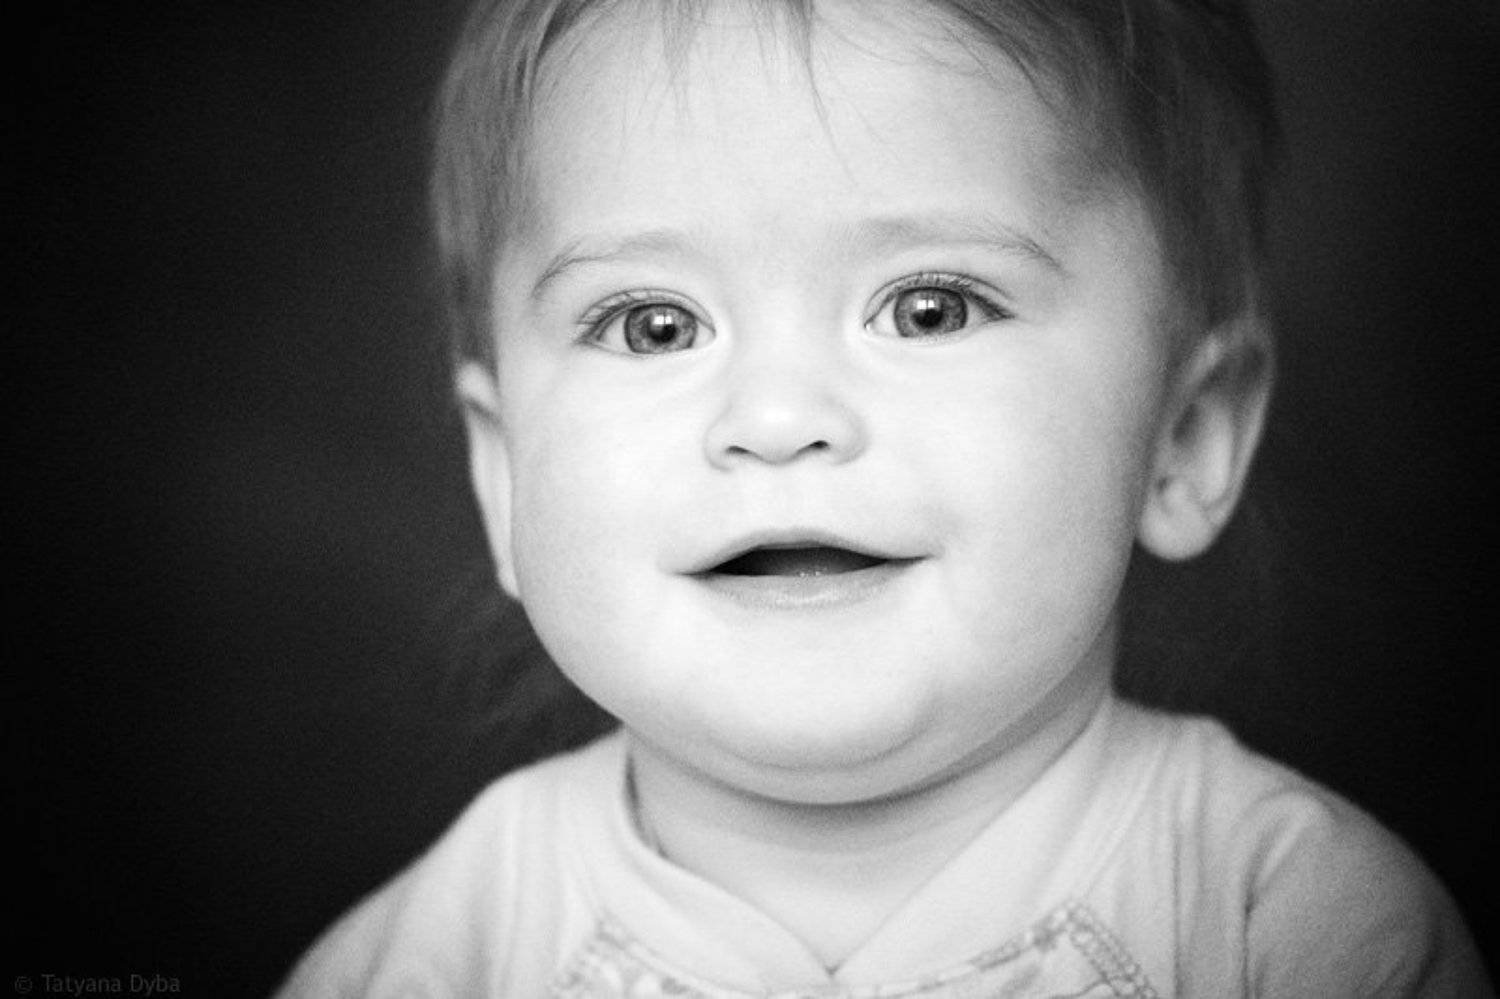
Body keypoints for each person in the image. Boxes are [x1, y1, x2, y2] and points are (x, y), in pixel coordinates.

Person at [277, 0, 1492, 994]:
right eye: (654, 325)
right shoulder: (436, 958)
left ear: (1186, 437)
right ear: (502, 476)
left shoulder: (1297, 929)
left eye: (930, 308)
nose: (776, 418)